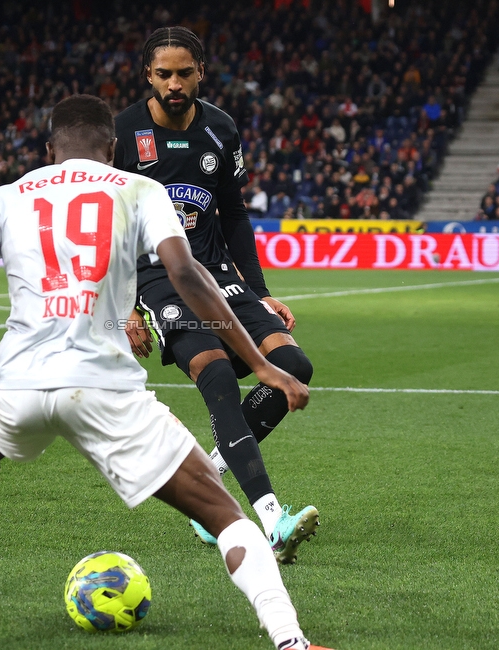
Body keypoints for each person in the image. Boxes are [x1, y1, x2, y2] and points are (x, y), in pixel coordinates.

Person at [0, 95, 328, 650]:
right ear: (115, 149)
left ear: (50, 150)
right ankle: (291, 642)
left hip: (18, 379)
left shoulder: (7, 196)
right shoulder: (139, 189)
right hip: (104, 386)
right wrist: (262, 363)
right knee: (226, 516)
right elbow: (186, 275)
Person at [112, 26, 318, 562]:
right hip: (156, 278)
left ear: (201, 72)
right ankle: (272, 519)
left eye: (184, 73)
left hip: (218, 273)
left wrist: (261, 291)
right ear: (148, 77)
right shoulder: (123, 134)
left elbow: (235, 216)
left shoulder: (222, 129)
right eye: (164, 74)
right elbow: (110, 230)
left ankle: (211, 483)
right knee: (220, 375)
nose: (175, 83)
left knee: (293, 366)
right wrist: (127, 306)